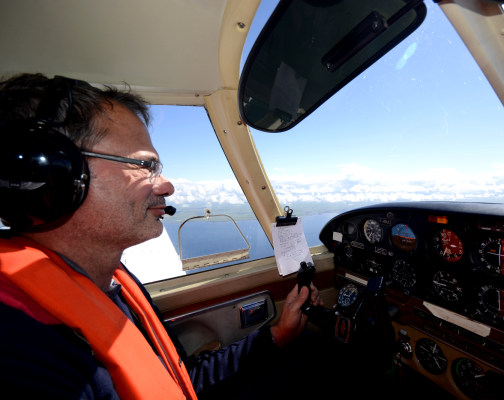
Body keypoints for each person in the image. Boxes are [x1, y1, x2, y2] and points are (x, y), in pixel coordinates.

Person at [0, 73, 323, 399]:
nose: (167, 185)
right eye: (145, 165)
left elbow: (180, 380)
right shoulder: (21, 352)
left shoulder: (112, 282)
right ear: (53, 174)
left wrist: (278, 334)